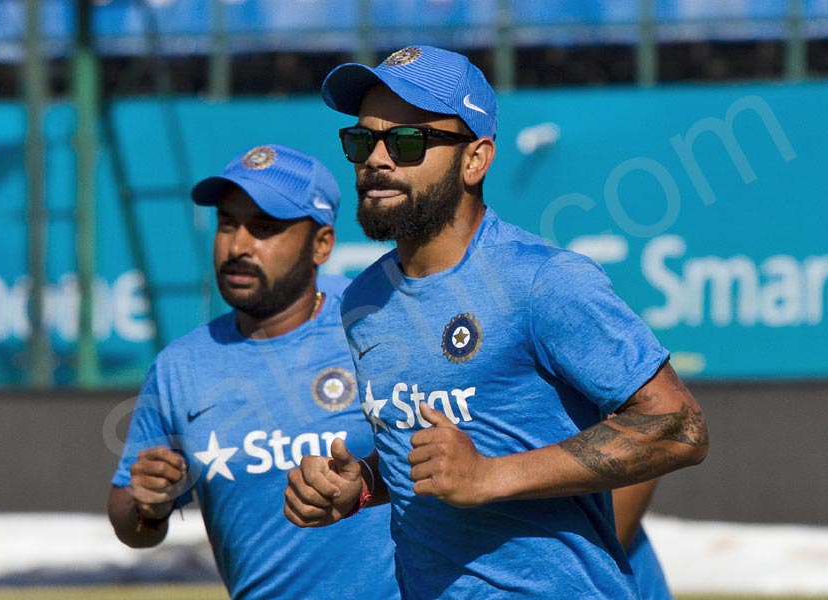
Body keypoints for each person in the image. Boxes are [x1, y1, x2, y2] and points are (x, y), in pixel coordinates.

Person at [283, 45, 708, 599]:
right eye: (362, 140)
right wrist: (361, 485)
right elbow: (444, 458)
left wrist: (491, 476)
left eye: (408, 140)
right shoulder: (363, 300)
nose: (377, 160)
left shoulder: (545, 281)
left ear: (476, 159)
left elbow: (680, 427)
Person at [108, 144, 398, 600]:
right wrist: (148, 505)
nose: (238, 246)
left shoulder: (379, 326)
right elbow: (133, 522)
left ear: (321, 244)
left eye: (265, 228)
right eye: (227, 223)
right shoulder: (180, 366)